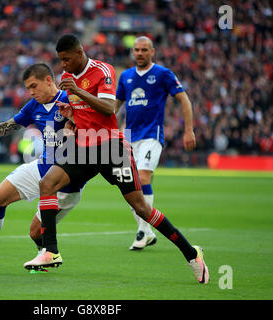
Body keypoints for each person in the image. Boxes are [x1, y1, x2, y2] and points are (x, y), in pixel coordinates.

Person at [23, 34, 209, 284]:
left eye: (66, 59)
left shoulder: (103, 70)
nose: (63, 65)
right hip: (84, 146)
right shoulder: (66, 78)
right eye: (60, 60)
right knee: (47, 184)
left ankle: (191, 253)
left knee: (141, 208)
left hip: (111, 147)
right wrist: (70, 115)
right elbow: (80, 114)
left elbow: (109, 109)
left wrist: (78, 91)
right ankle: (51, 252)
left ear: (79, 52)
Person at [0, 63, 85, 270]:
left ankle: (46, 255)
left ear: (49, 80)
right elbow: (7, 126)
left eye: (33, 86)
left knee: (35, 232)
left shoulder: (70, 100)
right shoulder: (33, 106)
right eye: (28, 88)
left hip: (66, 181)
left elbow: (92, 129)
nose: (31, 92)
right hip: (42, 167)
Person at [116, 36, 197, 250]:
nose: (140, 53)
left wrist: (188, 130)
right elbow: (115, 106)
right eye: (136, 50)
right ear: (132, 52)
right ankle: (148, 232)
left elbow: (183, 99)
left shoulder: (163, 74)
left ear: (153, 52)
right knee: (127, 184)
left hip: (152, 134)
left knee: (142, 177)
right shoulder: (125, 76)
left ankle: (142, 231)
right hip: (129, 137)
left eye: (144, 50)